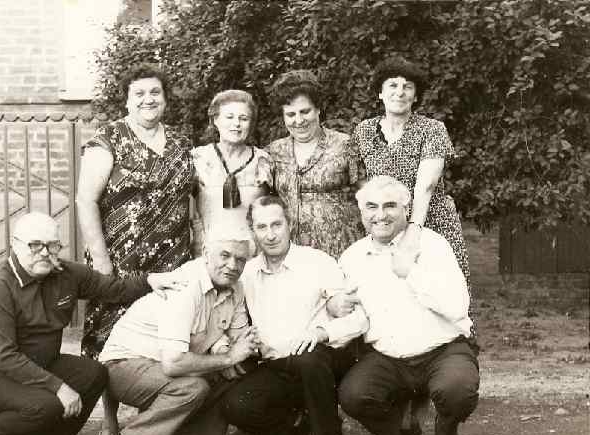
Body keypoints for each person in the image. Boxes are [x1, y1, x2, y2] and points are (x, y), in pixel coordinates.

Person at [0, 212, 182, 435]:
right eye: (35, 245)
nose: (44, 253)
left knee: (94, 374)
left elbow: (114, 289)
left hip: (38, 364)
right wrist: (59, 387)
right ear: (15, 245)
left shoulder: (67, 274)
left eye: (52, 245)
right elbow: (5, 357)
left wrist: (150, 281)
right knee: (48, 404)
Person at [76, 63, 195, 435]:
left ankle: (157, 424)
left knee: (166, 337)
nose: (148, 99)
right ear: (127, 100)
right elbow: (85, 200)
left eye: (155, 92)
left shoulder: (181, 143)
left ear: (165, 98)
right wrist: (101, 262)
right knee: (111, 339)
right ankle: (109, 424)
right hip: (120, 259)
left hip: (173, 259)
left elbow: (193, 201)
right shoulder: (107, 140)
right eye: (139, 93)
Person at [336, 177, 480, 435]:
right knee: (353, 395)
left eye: (390, 206)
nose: (380, 215)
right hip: (388, 358)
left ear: (406, 209)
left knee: (458, 388)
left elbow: (457, 307)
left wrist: (411, 272)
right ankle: (401, 433)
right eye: (371, 207)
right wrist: (337, 308)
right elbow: (353, 318)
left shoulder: (433, 245)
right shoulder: (352, 257)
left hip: (442, 350)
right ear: (361, 212)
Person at [220, 195, 368, 435]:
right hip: (277, 364)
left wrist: (322, 332)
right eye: (262, 227)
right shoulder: (247, 273)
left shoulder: (317, 261)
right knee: (235, 404)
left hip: (322, 361)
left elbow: (358, 320)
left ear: (290, 224)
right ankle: (295, 428)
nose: (270, 234)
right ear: (253, 231)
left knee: (309, 360)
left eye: (277, 224)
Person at [96, 228, 260, 435]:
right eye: (225, 255)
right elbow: (173, 363)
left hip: (164, 367)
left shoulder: (236, 287)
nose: (232, 265)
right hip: (123, 365)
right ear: (206, 252)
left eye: (240, 259)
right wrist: (229, 357)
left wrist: (235, 350)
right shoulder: (186, 286)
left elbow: (239, 338)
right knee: (194, 387)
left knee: (232, 372)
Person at [353, 57, 474, 328]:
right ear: (380, 92)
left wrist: (412, 232)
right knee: (392, 296)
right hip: (384, 223)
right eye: (392, 85)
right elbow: (361, 184)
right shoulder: (363, 131)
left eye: (407, 86)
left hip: (429, 221)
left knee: (439, 292)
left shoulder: (432, 129)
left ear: (416, 95)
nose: (400, 92)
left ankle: (455, 345)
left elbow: (426, 186)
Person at [265, 69, 364, 259]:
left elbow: (368, 194)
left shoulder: (345, 145)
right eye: (290, 114)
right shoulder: (273, 152)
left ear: (318, 109)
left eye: (305, 111)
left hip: (340, 251)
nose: (299, 120)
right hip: (291, 255)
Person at [191, 89, 273, 256]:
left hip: (251, 254)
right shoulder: (198, 158)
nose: (236, 124)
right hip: (210, 253)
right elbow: (188, 211)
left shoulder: (263, 160)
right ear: (215, 120)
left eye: (243, 118)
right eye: (229, 117)